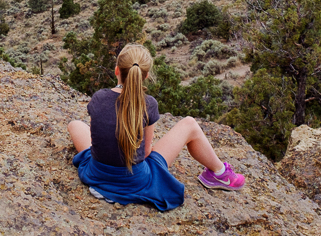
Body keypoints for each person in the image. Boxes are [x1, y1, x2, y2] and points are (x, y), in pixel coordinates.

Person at [67, 43, 244, 210]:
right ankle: (221, 174)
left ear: (116, 71)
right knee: (189, 123)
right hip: (135, 181)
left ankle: (106, 176)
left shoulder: (98, 97)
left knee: (75, 124)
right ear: (145, 76)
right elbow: (145, 153)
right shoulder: (148, 104)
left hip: (97, 175)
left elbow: (98, 139)